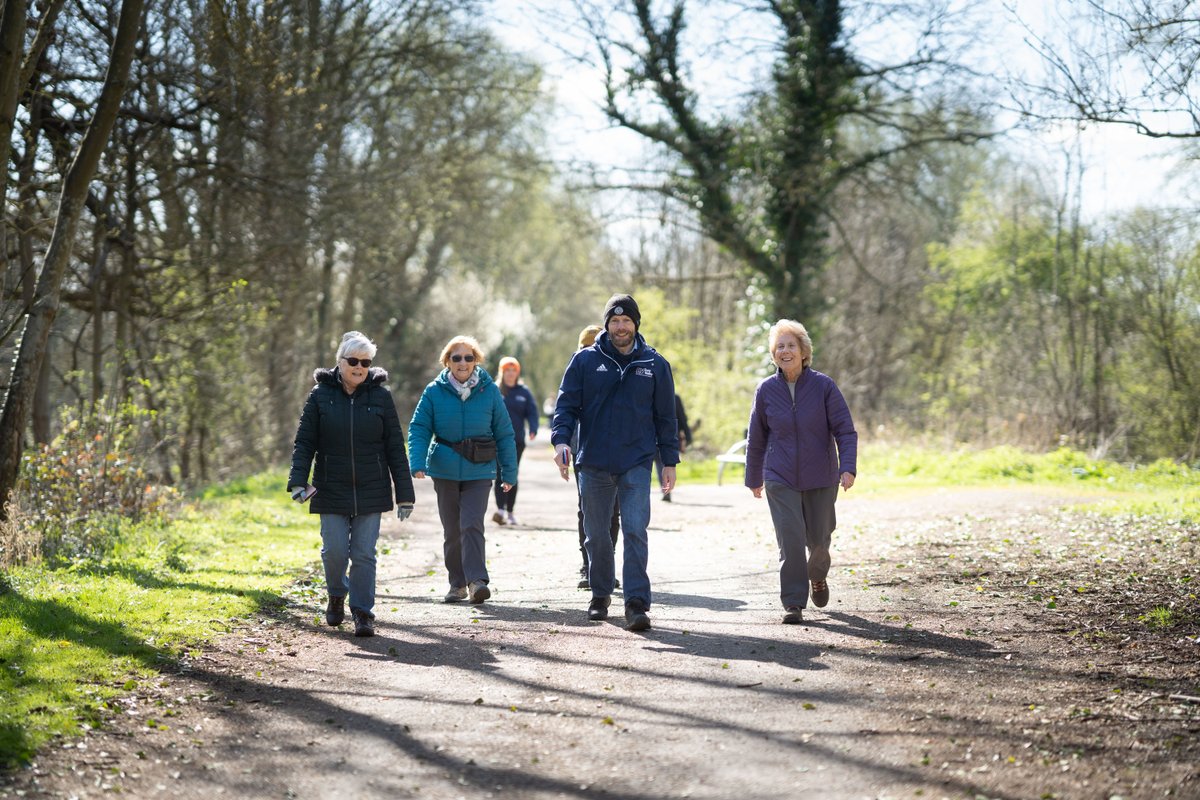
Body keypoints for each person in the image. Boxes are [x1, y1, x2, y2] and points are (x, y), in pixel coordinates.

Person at [552, 294, 679, 631]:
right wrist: (561, 440)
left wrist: (669, 461)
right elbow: (566, 407)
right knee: (595, 534)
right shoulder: (584, 362)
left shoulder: (654, 364)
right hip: (593, 461)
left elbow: (666, 418)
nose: (621, 327)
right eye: (615, 321)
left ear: (636, 324)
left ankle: (636, 602)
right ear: (606, 324)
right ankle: (600, 594)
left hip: (637, 461)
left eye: (626, 321)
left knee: (635, 530)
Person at [288, 331, 415, 638]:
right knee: (333, 551)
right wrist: (297, 481)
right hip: (330, 486)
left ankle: (362, 612)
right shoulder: (319, 396)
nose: (360, 367)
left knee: (363, 554)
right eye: (354, 361)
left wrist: (405, 494)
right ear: (340, 361)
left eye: (366, 362)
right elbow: (305, 442)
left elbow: (395, 447)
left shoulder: (381, 397)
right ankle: (336, 593)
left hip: (372, 488)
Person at [744, 320, 857, 625]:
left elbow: (845, 430)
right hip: (779, 475)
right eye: (780, 346)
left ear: (803, 351)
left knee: (819, 539)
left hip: (821, 474)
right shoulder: (766, 390)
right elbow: (756, 437)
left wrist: (847, 466)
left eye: (790, 345)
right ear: (773, 354)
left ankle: (817, 576)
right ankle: (793, 601)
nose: (785, 351)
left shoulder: (823, 386)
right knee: (790, 539)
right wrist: (753, 476)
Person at [408, 336, 518, 606]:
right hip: (444, 469)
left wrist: (509, 472)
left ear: (476, 361)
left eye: (469, 357)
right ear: (447, 361)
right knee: (452, 530)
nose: (462, 362)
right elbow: (419, 427)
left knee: (471, 524)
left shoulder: (489, 390)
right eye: (456, 357)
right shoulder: (434, 391)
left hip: (479, 470)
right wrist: (417, 461)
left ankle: (477, 581)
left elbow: (504, 433)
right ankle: (456, 583)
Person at [571, 325, 620, 590]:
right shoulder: (576, 369)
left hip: (618, 454)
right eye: (586, 346)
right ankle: (587, 565)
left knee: (613, 513)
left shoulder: (616, 366)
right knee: (586, 511)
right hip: (584, 453)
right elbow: (565, 410)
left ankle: (605, 566)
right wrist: (564, 447)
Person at [491, 356, 539, 526]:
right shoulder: (495, 390)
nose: (510, 374)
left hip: (517, 441)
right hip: (496, 442)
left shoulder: (523, 392)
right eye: (507, 370)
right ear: (502, 372)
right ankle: (500, 510)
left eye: (513, 370)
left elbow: (532, 412)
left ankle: (510, 512)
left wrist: (533, 428)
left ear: (517, 373)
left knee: (512, 475)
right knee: (499, 475)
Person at [655, 394, 692, 502]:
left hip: (664, 438)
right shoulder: (673, 397)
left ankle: (665, 490)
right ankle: (665, 490)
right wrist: (688, 436)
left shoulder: (674, 398)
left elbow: (681, 418)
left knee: (660, 466)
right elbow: (683, 418)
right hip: (665, 438)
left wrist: (687, 436)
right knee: (662, 465)